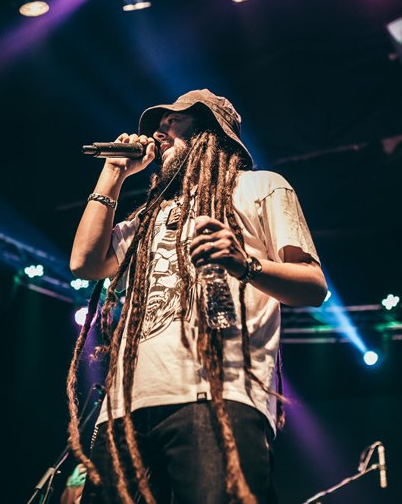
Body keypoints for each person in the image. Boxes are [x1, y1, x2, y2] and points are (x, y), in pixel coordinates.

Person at [66, 89, 327, 503]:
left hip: (217, 396)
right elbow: (84, 262)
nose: (159, 131)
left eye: (173, 121)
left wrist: (246, 265)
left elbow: (313, 286)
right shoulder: (148, 216)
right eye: (159, 124)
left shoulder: (261, 186)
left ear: (209, 131)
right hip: (124, 408)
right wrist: (113, 172)